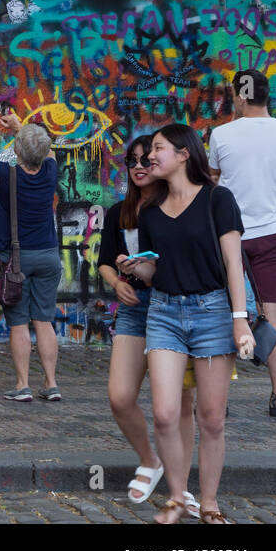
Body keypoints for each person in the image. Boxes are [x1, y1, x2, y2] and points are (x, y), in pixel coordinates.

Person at [118, 124, 256, 524]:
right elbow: (156, 269)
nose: (148, 158)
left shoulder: (218, 199)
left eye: (157, 149)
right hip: (163, 313)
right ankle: (178, 497)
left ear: (183, 154)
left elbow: (233, 263)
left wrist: (239, 321)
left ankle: (209, 503)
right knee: (164, 413)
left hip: (214, 313)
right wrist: (136, 268)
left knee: (212, 418)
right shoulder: (150, 210)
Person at [98, 136, 197, 508]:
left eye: (146, 159)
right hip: (136, 307)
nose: (139, 166)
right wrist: (117, 282)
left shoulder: (174, 207)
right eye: (132, 161)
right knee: (120, 397)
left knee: (180, 404)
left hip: (172, 305)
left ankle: (181, 487)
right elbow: (106, 259)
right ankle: (150, 460)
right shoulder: (118, 212)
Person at [207, 69, 276, 417]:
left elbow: (214, 180)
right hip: (271, 232)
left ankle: (219, 397)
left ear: (241, 96)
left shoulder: (222, 134)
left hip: (229, 233)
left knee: (225, 311)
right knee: (271, 311)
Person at [0, 98, 62, 401]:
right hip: (48, 256)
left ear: (17, 151)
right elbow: (47, 150)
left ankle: (22, 385)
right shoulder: (51, 170)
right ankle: (52, 383)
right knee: (44, 321)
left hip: (15, 260)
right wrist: (21, 128)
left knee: (18, 322)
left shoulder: (6, 175)